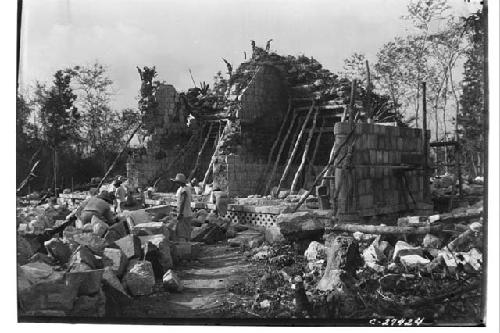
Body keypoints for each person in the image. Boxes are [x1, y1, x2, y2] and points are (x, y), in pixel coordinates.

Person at [171, 173, 193, 242]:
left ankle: (185, 246)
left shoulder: (184, 190)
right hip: (187, 213)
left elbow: (182, 202)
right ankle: (187, 245)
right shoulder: (185, 188)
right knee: (186, 230)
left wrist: (180, 213)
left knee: (183, 232)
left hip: (184, 214)